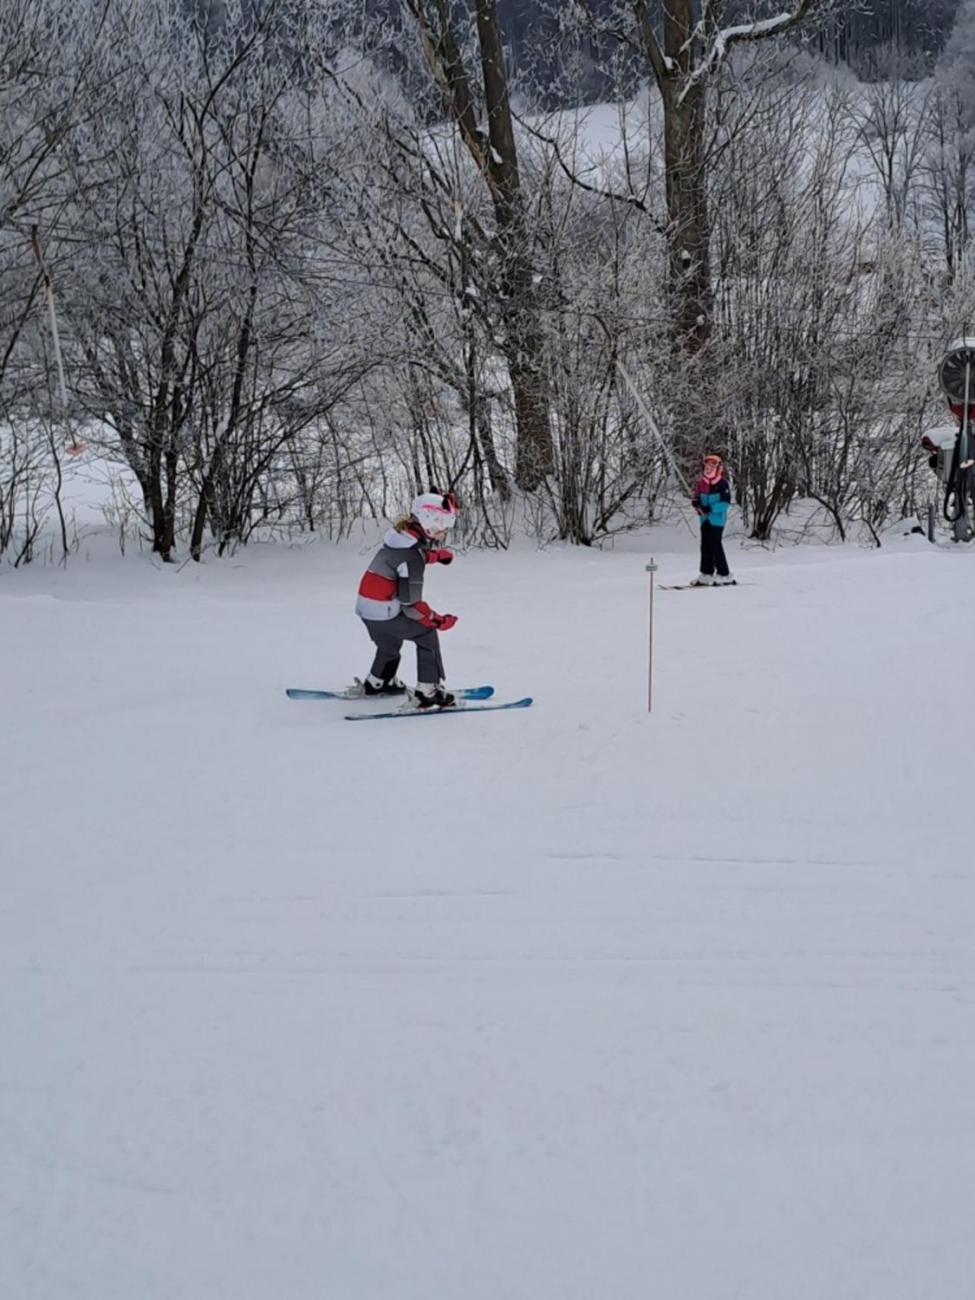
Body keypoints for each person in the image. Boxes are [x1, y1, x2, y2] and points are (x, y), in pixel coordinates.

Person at [354, 491, 460, 708]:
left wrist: (436, 556)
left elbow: (403, 558)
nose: (445, 529)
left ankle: (378, 682)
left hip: (366, 609)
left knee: (390, 642)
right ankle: (427, 692)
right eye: (443, 523)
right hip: (385, 611)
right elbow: (410, 604)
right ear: (429, 521)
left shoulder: (397, 537)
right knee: (426, 634)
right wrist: (438, 620)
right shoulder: (412, 556)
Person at [690, 453, 734, 586]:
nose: (708, 468)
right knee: (705, 545)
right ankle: (706, 572)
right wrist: (697, 503)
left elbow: (725, 503)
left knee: (715, 544)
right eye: (707, 465)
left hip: (717, 520)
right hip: (705, 519)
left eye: (712, 466)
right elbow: (696, 497)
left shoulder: (722, 484)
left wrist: (711, 508)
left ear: (718, 468)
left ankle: (724, 573)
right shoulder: (701, 483)